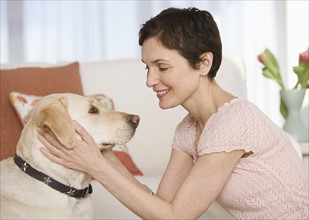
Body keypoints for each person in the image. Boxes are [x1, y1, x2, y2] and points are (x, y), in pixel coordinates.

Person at [38, 7, 308, 219]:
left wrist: (95, 166)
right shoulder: (188, 129)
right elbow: (160, 205)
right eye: (147, 67)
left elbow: (175, 216)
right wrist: (103, 156)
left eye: (162, 67)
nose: (150, 80)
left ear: (203, 63)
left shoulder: (233, 122)